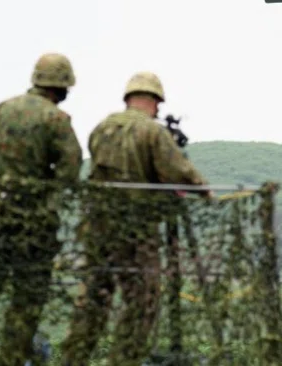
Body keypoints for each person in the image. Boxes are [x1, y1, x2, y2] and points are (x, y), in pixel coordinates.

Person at [60, 71, 209, 366]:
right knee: (141, 301)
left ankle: (73, 359)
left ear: (128, 98)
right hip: (136, 232)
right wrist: (204, 191)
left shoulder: (102, 129)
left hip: (98, 228)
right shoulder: (152, 132)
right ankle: (123, 361)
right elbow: (178, 171)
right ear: (154, 101)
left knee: (93, 298)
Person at [0, 53, 83, 366]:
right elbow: (70, 169)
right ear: (63, 86)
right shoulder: (55, 120)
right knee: (24, 303)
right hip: (33, 225)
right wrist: (44, 186)